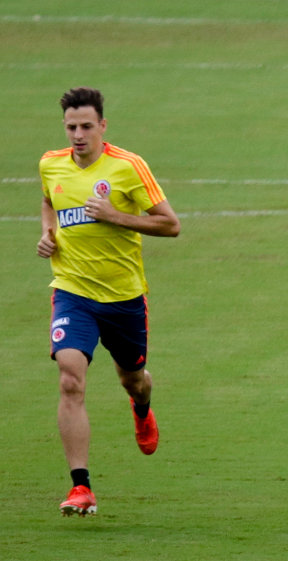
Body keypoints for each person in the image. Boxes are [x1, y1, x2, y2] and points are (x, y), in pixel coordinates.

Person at [38, 87, 182, 516]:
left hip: (123, 297)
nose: (78, 135)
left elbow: (171, 225)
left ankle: (142, 408)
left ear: (102, 125)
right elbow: (49, 200)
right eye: (71, 127)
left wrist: (114, 216)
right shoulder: (51, 164)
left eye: (86, 126)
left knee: (132, 378)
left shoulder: (127, 167)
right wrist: (47, 233)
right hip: (72, 291)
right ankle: (81, 487)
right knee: (70, 378)